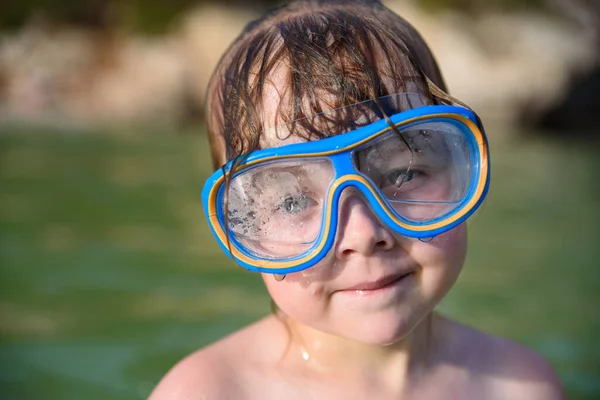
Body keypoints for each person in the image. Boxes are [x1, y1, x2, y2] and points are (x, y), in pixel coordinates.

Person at [150, 1, 565, 398]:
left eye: (403, 173)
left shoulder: (520, 387)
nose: (364, 233)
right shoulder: (207, 394)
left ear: (459, 169)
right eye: (293, 202)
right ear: (240, 228)